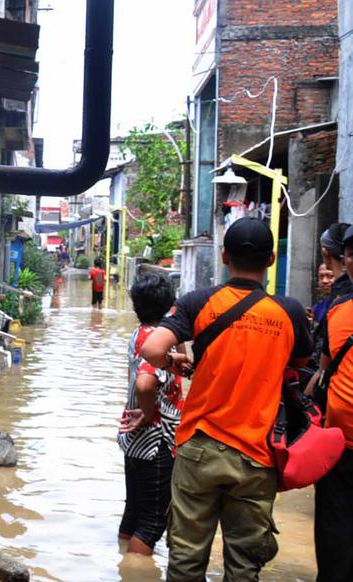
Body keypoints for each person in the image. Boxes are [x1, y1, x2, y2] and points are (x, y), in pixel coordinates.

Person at [141, 218, 311, 581]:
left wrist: (174, 364)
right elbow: (299, 363)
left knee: (185, 563)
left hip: (198, 448)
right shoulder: (290, 312)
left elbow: (152, 349)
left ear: (224, 256)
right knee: (244, 567)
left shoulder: (198, 302)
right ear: (271, 259)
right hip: (256, 454)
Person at [117, 271, 181, 556]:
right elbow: (146, 383)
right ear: (169, 305)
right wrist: (148, 412)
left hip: (134, 438)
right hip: (156, 440)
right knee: (153, 521)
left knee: (134, 510)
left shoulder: (139, 334)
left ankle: (122, 557)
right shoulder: (160, 341)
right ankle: (134, 571)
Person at [312, 225, 353, 580]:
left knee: (335, 531)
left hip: (340, 442)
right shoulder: (337, 310)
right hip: (339, 442)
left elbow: (323, 368)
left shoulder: (339, 309)